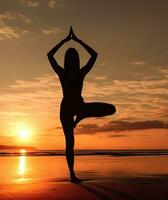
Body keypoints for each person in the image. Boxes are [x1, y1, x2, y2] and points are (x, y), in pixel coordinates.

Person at [47, 27, 116, 183]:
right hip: (67, 109)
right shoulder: (65, 73)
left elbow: (94, 56)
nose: (71, 61)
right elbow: (50, 56)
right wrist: (69, 41)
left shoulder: (79, 73)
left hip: (77, 106)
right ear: (71, 60)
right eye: (70, 58)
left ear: (74, 60)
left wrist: (73, 41)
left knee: (111, 109)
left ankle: (82, 115)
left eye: (73, 58)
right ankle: (72, 175)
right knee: (70, 143)